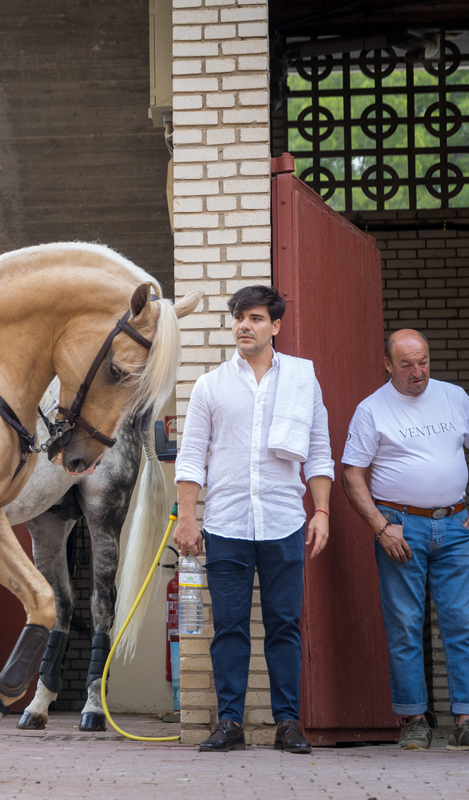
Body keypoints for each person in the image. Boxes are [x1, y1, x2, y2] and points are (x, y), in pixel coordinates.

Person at [173, 286, 333, 755]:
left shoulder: (303, 379)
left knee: (285, 625)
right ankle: (229, 723)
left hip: (284, 521)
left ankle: (287, 724)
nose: (245, 325)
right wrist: (187, 519)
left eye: (256, 318)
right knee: (229, 627)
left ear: (276, 326)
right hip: (226, 524)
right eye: (239, 317)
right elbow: (190, 459)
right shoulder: (211, 385)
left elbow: (320, 451)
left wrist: (320, 511)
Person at [341, 329, 469, 751]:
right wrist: (379, 525)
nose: (419, 372)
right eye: (408, 365)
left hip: (456, 525)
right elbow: (352, 473)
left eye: (424, 362)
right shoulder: (371, 410)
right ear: (388, 364)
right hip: (400, 528)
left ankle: (465, 718)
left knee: (462, 622)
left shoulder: (454, 397)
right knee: (404, 626)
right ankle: (414, 719)